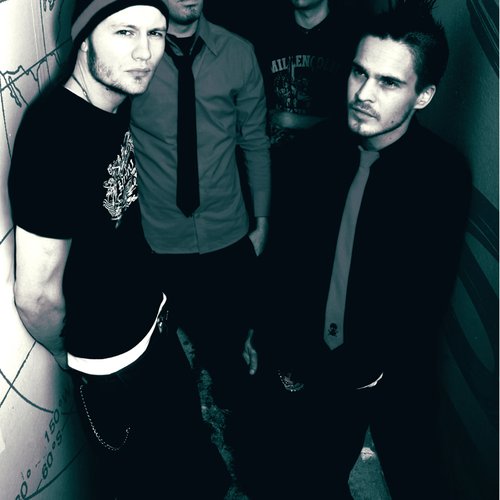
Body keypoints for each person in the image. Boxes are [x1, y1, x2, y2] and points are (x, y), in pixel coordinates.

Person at [244, 1, 472, 498]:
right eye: (359, 72)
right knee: (298, 478)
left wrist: (372, 370)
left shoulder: (443, 177)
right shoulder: (309, 154)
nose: (363, 94)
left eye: (389, 82)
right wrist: (270, 339)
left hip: (379, 374)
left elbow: (425, 296)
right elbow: (283, 263)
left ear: (424, 95)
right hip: (301, 366)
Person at [8, 0, 229, 498]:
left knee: (196, 466)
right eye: (125, 32)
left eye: (155, 34)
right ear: (84, 37)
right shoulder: (53, 138)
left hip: (153, 326)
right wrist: (71, 353)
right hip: (115, 367)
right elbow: (35, 295)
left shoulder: (111, 103)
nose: (145, 52)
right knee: (151, 484)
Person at [130, 0, 270, 423]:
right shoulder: (134, 58)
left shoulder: (238, 53)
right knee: (164, 371)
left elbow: (255, 141)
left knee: (232, 358)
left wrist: (262, 222)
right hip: (158, 239)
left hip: (228, 234)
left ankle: (241, 424)